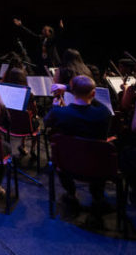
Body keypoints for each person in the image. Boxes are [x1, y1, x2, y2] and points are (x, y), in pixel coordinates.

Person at [44, 75, 112, 212]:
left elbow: (46, 122)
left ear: (73, 92)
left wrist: (54, 107)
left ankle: (70, 193)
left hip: (67, 164)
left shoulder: (59, 113)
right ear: (93, 93)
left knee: (59, 152)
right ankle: (97, 197)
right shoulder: (104, 113)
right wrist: (68, 88)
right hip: (97, 166)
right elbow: (97, 102)